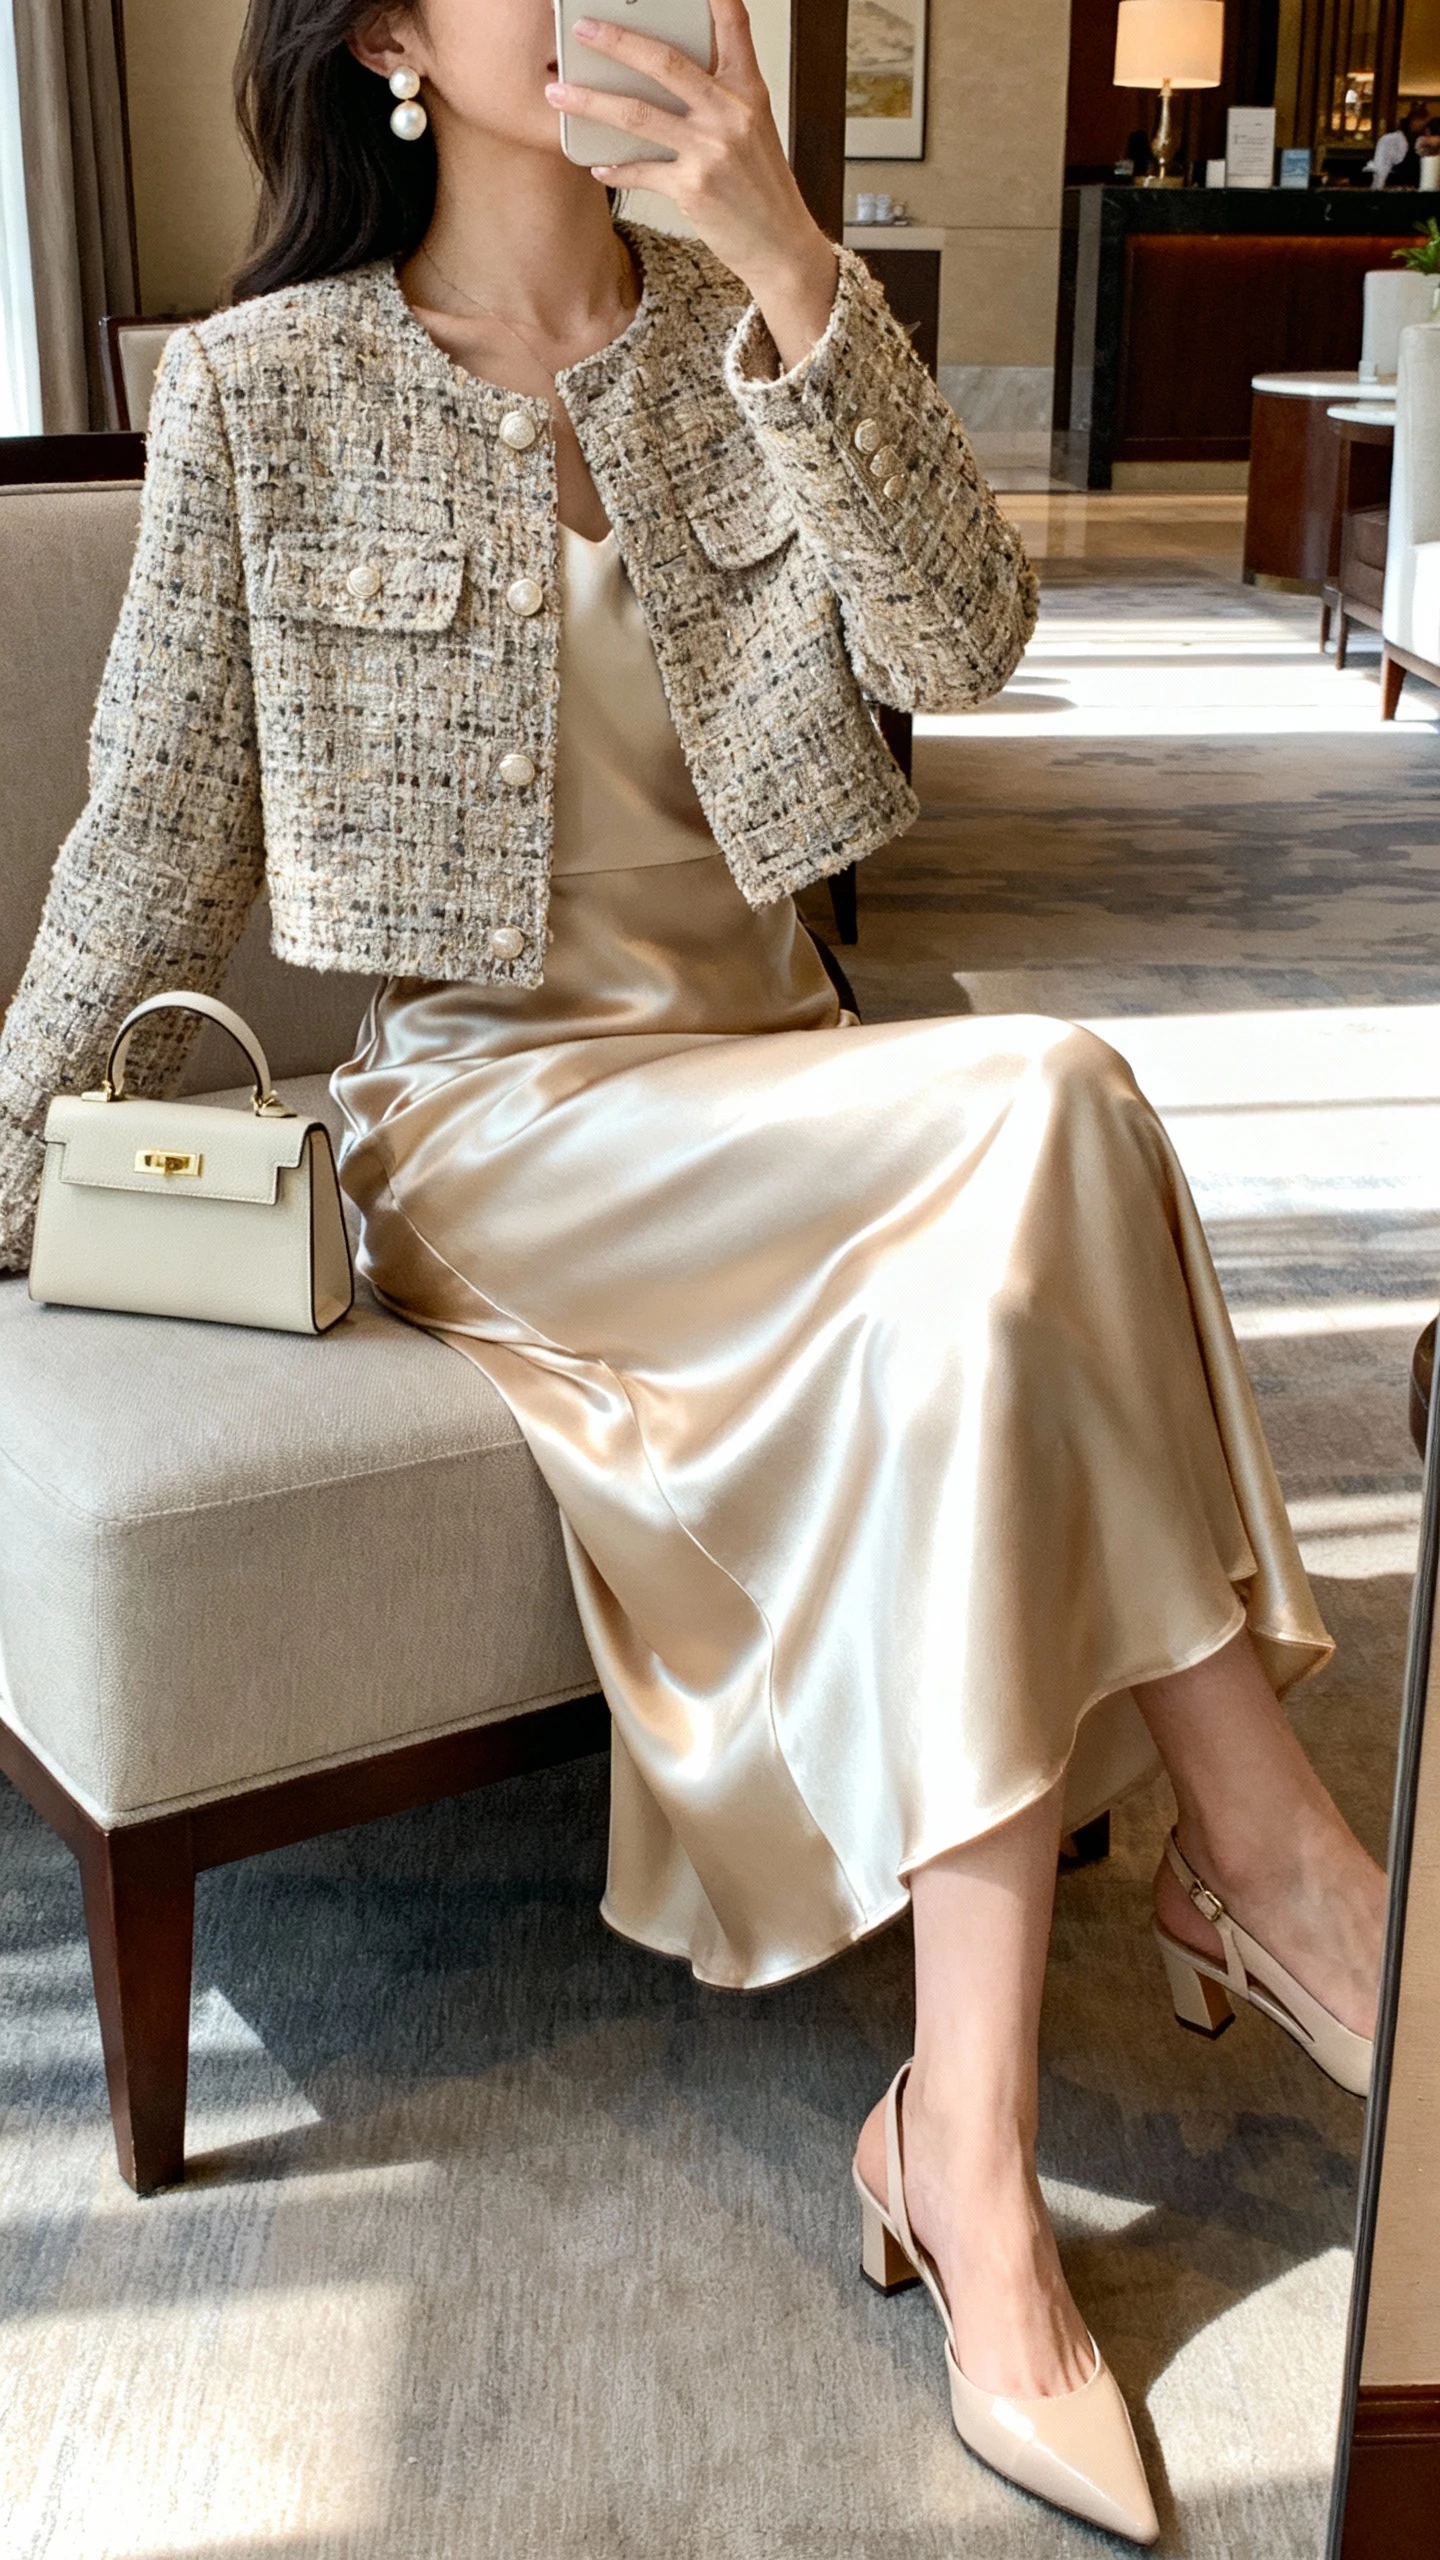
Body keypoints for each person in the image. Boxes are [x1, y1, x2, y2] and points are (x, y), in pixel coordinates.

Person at [0, 0, 1386, 2540]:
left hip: (780, 1071)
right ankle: (1278, 1869)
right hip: (495, 1122)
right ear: (400, 36)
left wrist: (772, 253)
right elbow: (149, 833)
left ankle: (949, 2144)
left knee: (982, 1267)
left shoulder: (747, 326)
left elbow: (964, 650)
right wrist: (0, 1157)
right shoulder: (266, 383)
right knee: (1051, 1096)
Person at [1369, 97, 1434, 187]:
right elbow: (1381, 171)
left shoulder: (1427, 144)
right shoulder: (1392, 140)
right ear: (1413, 122)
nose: (1427, 131)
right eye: (1424, 127)